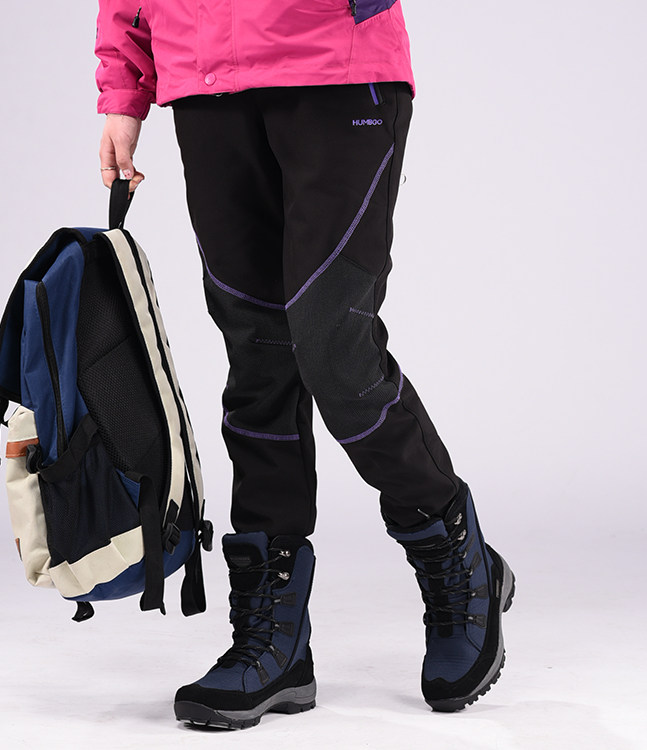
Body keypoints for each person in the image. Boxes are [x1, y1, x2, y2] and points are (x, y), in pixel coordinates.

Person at [95, 0, 515, 729]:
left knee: (334, 346)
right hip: (203, 73)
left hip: (333, 63)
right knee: (256, 355)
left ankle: (448, 539)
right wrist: (125, 88)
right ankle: (274, 636)